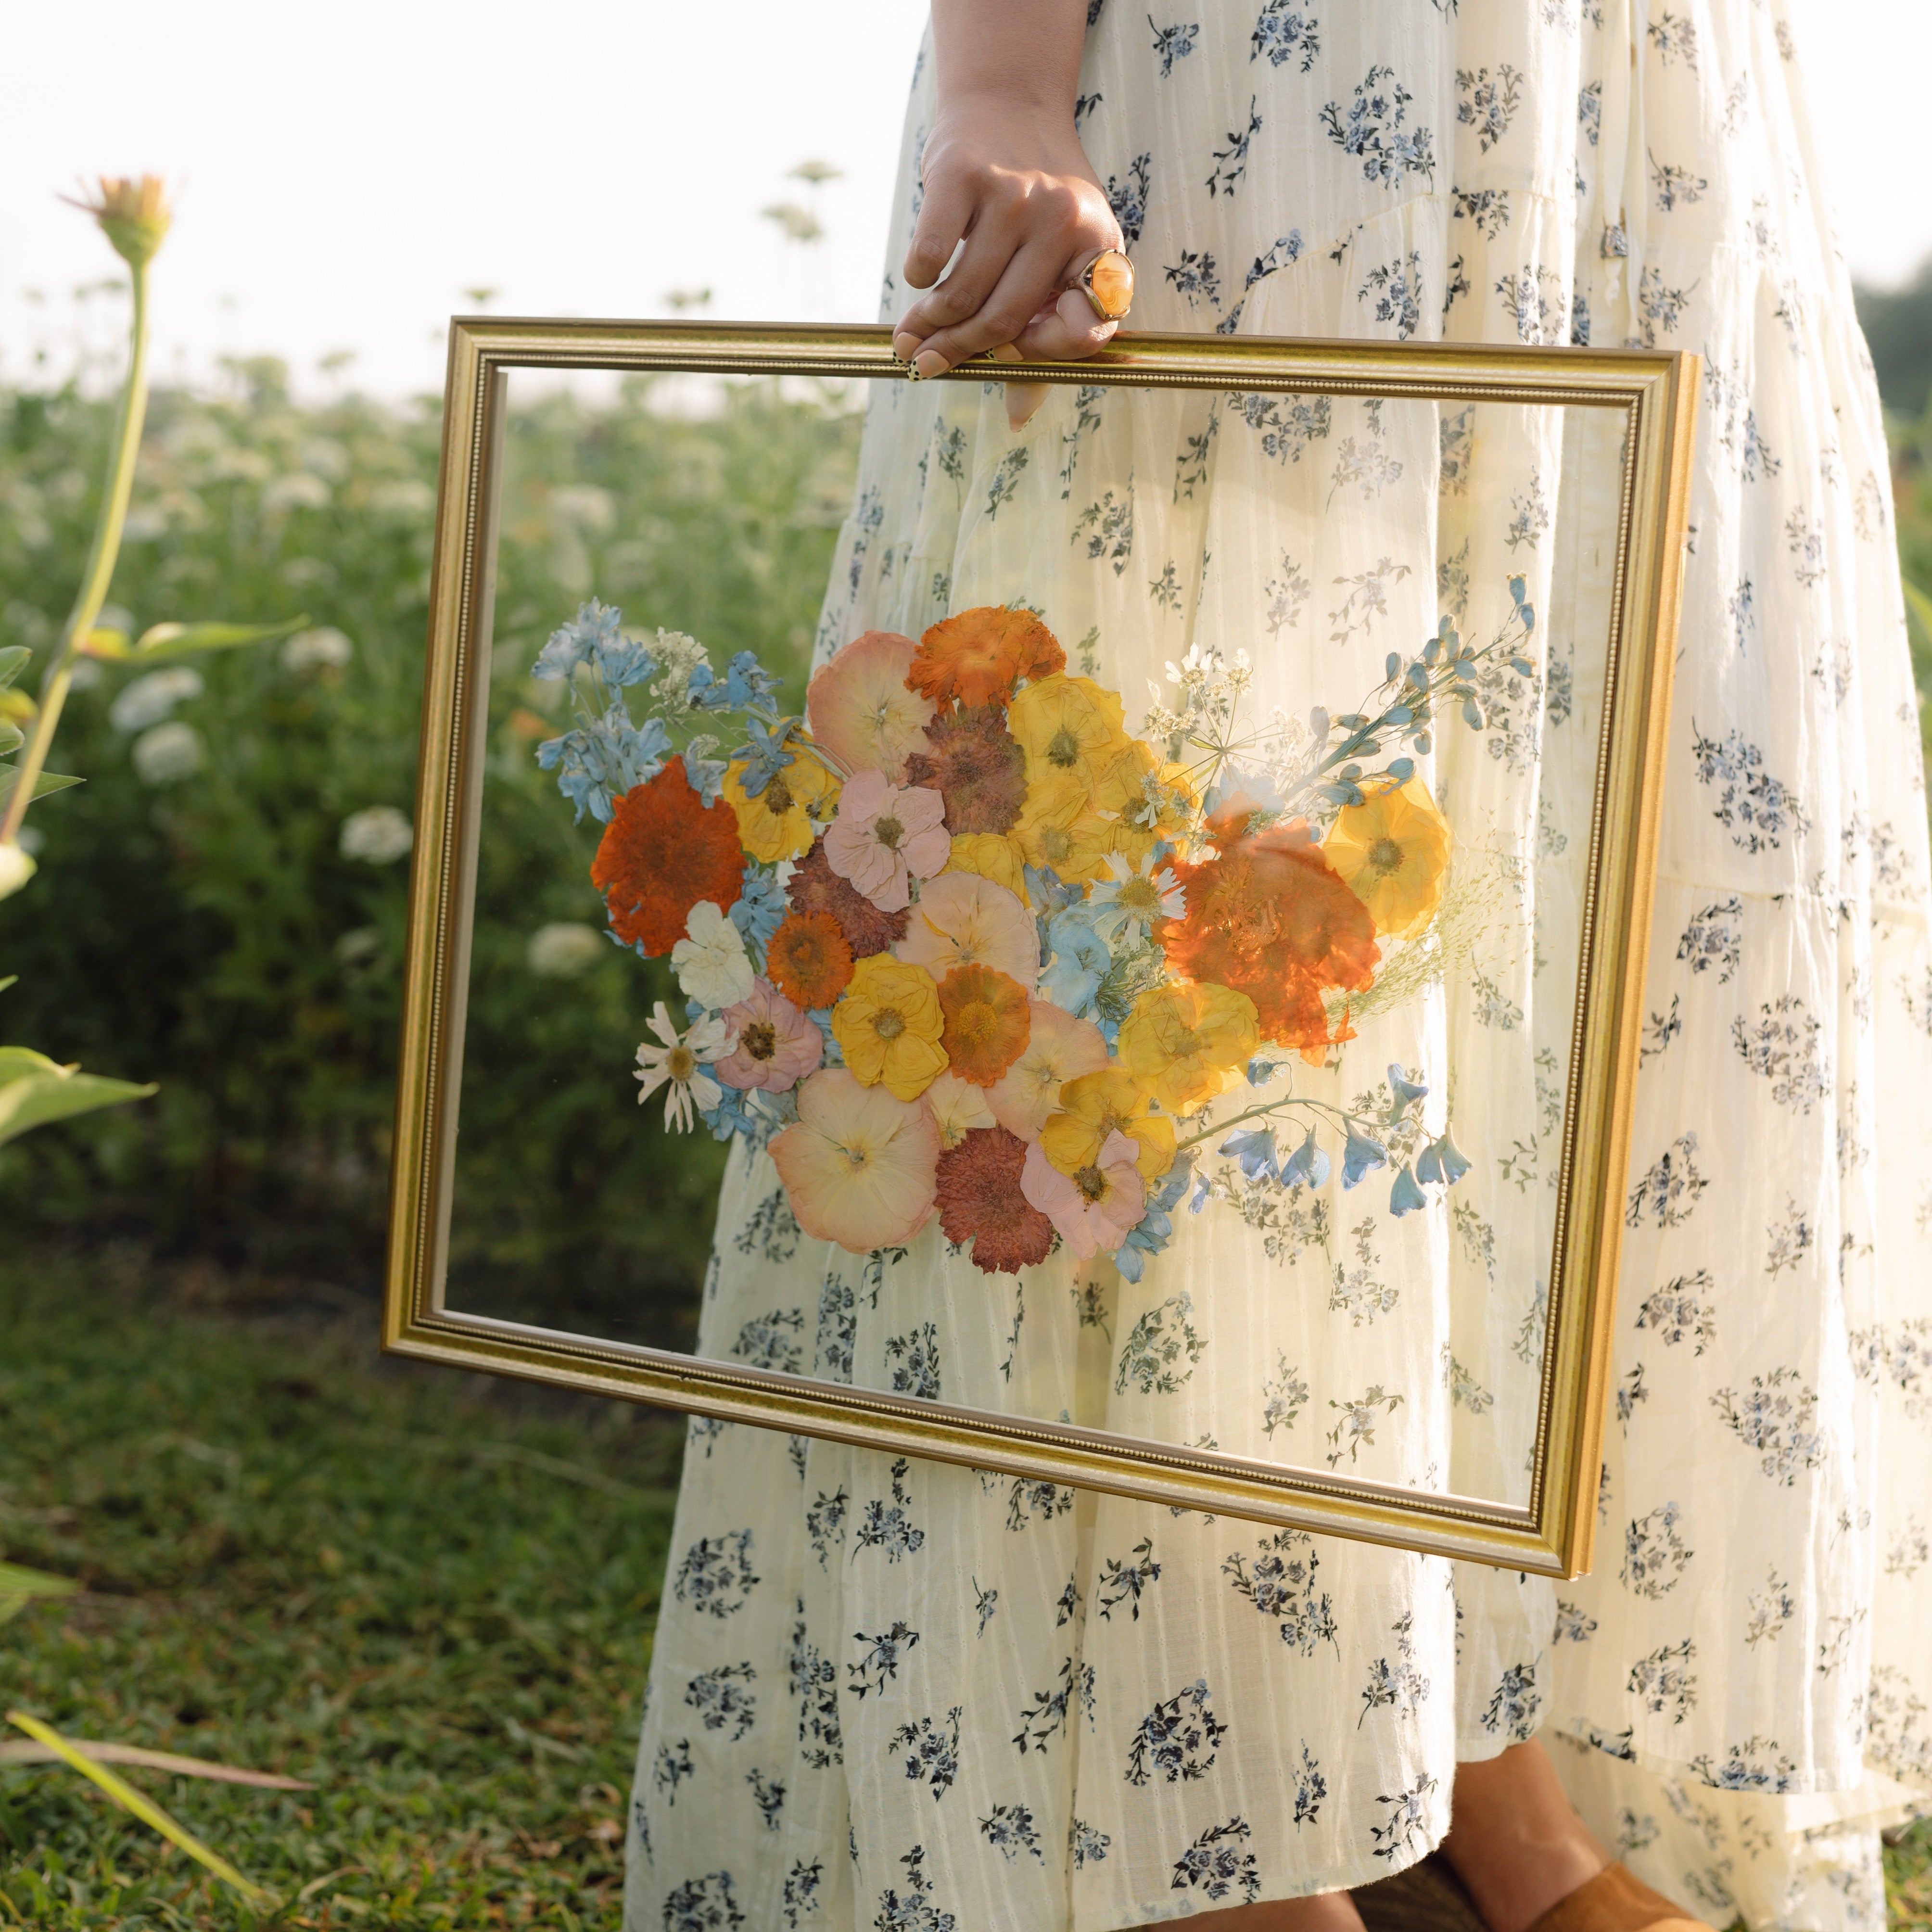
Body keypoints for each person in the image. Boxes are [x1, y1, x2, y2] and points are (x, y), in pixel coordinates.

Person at [625, 3, 1932, 1928]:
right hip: (1297, 96)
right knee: (1181, 933)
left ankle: (1470, 1782)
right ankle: (1200, 1828)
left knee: (1541, 913)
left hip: (1619, 111)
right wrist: (1003, 83)